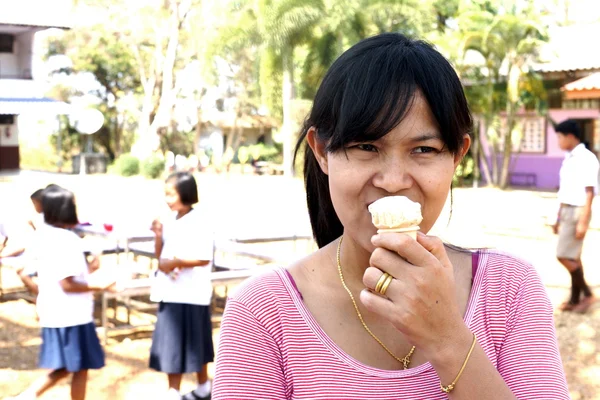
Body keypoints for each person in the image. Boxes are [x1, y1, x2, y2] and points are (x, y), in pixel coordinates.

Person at [212, 33, 569, 399]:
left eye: (424, 149)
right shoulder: (262, 314)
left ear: (457, 156)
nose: (394, 181)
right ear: (321, 152)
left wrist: (447, 337)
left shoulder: (509, 290)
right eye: (366, 146)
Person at [9, 185, 114, 400]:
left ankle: (28, 395)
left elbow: (65, 274)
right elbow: (67, 284)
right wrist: (100, 285)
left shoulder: (46, 236)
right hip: (71, 315)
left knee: (73, 365)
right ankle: (29, 395)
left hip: (57, 312)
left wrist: (90, 269)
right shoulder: (68, 240)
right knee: (77, 366)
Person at [149, 172, 215, 400]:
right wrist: (158, 235)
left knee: (197, 342)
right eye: (165, 194)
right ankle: (173, 390)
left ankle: (203, 385)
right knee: (171, 343)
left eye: (171, 194)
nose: (167, 199)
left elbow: (205, 258)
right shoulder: (169, 219)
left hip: (193, 291)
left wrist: (177, 262)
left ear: (185, 193)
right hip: (170, 291)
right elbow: (160, 255)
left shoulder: (200, 220)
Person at [552, 119, 599, 313]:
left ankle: (587, 295)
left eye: (560, 137)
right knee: (574, 257)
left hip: (579, 210)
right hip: (567, 209)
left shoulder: (586, 157)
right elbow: (565, 189)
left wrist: (583, 221)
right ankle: (575, 299)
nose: (559, 141)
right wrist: (557, 217)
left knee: (563, 255)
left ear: (570, 136)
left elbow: (590, 191)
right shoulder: (569, 157)